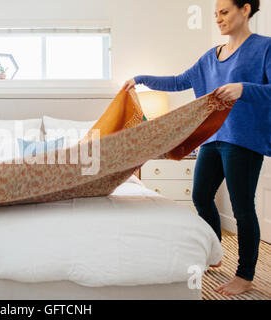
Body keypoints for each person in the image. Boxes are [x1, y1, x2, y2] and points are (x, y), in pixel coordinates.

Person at [123, 0, 270, 296]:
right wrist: (141, 79)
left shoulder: (264, 47)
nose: (218, 19)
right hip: (212, 139)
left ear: (245, 10)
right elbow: (179, 81)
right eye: (215, 14)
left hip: (243, 141)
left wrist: (244, 88)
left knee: (243, 208)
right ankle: (213, 251)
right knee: (202, 196)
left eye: (225, 12)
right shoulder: (210, 58)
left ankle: (245, 275)